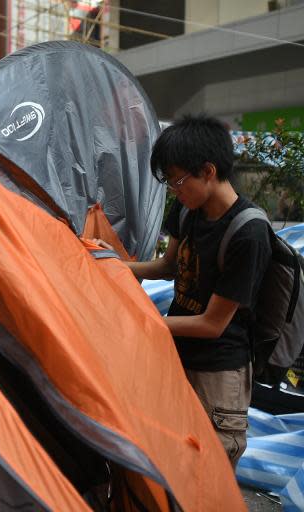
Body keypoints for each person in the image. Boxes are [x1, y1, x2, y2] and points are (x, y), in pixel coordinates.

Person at [95, 114, 271, 468]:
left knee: (207, 474)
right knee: (169, 463)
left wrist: (142, 319)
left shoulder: (248, 233)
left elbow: (212, 325)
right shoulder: (190, 210)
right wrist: (109, 264)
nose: (174, 191)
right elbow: (167, 267)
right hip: (177, 357)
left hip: (218, 375)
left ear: (207, 171)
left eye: (178, 181)